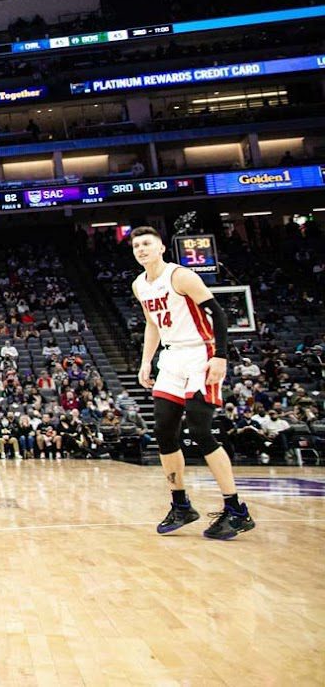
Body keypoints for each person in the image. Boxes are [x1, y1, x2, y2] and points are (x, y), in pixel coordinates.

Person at [130, 226, 254, 540]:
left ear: (160, 248)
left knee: (200, 430)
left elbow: (219, 315)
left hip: (202, 353)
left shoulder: (181, 276)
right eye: (136, 246)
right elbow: (152, 324)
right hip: (171, 358)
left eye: (147, 244)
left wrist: (221, 356)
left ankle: (236, 509)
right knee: (163, 432)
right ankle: (180, 504)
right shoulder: (139, 285)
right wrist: (147, 361)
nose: (141, 249)